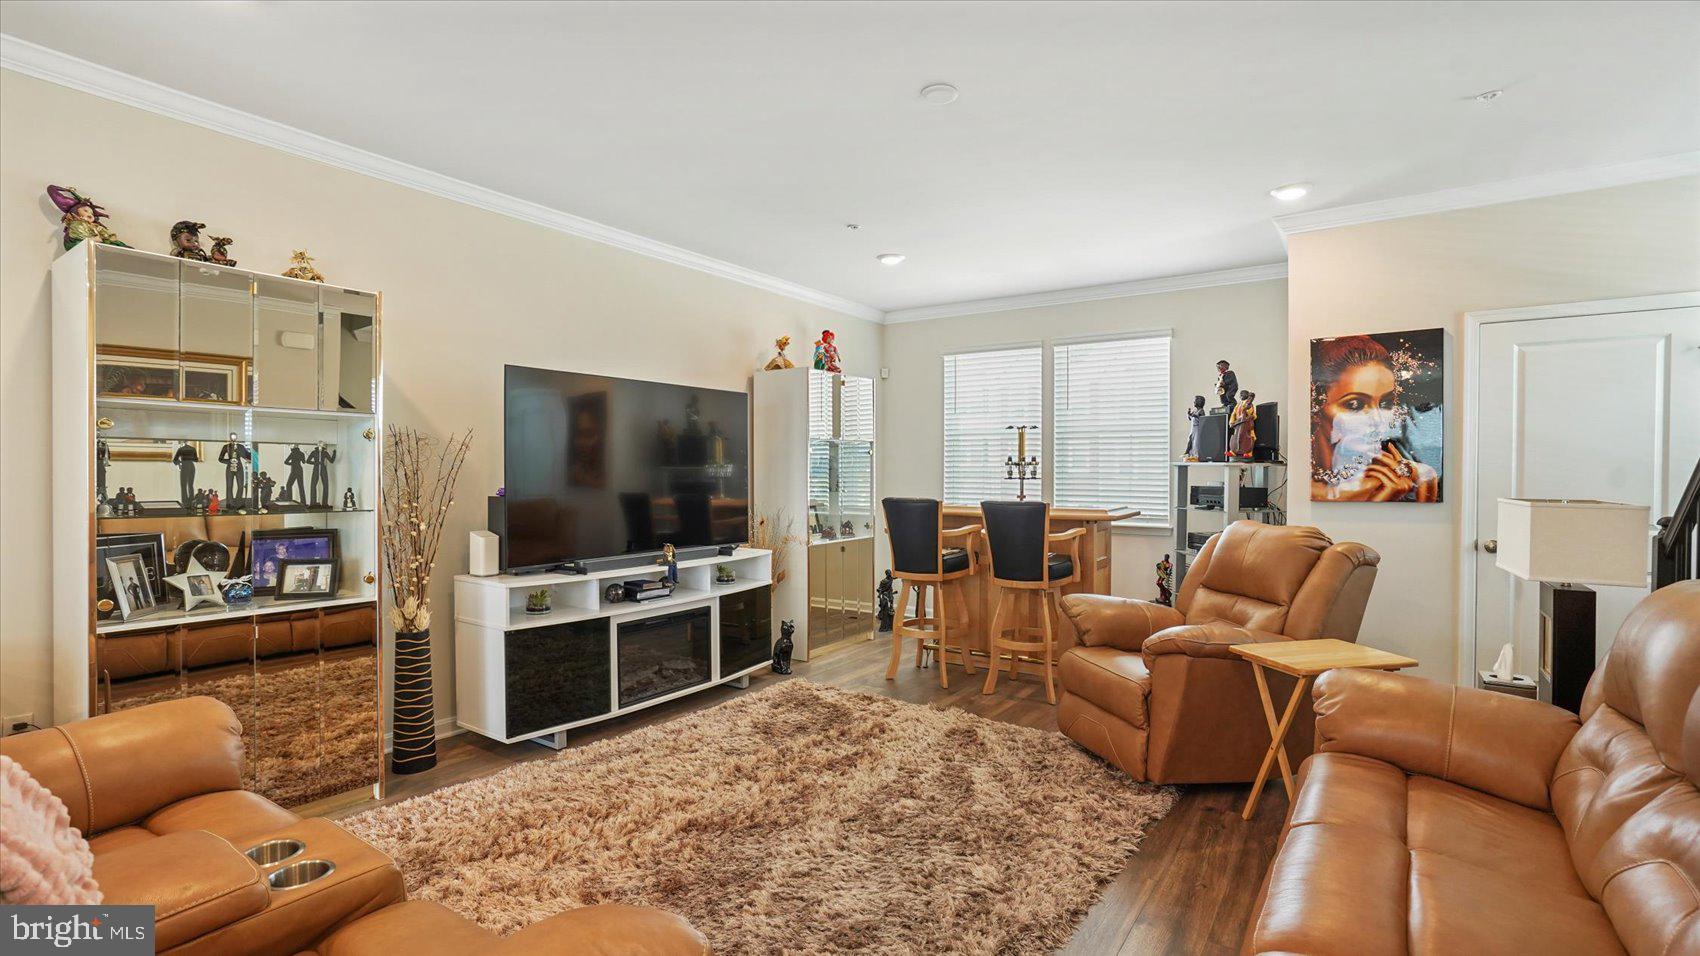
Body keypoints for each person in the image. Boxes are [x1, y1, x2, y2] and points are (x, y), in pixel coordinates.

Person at [1310, 335, 1439, 502]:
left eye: (1385, 403)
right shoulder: (1302, 492)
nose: (1377, 420)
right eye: (1355, 405)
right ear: (1315, 406)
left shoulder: (1419, 476)